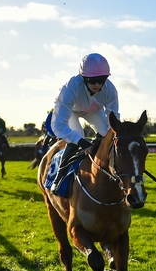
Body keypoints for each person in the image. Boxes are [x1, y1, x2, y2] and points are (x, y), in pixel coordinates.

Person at [50, 53, 120, 191]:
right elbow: (58, 125)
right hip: (72, 111)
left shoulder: (110, 89)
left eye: (102, 80)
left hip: (93, 110)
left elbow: (114, 122)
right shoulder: (71, 88)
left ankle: (113, 172)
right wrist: (81, 142)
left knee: (107, 133)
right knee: (78, 134)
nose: (97, 85)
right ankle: (60, 176)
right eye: (93, 80)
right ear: (83, 78)